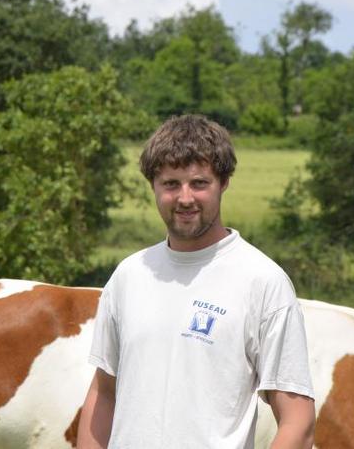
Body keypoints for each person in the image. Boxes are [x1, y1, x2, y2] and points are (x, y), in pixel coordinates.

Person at [77, 114, 315, 448]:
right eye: (171, 184)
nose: (185, 198)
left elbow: (298, 421)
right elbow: (104, 394)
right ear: (154, 186)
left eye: (199, 183)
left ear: (224, 182)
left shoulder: (263, 282)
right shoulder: (128, 276)